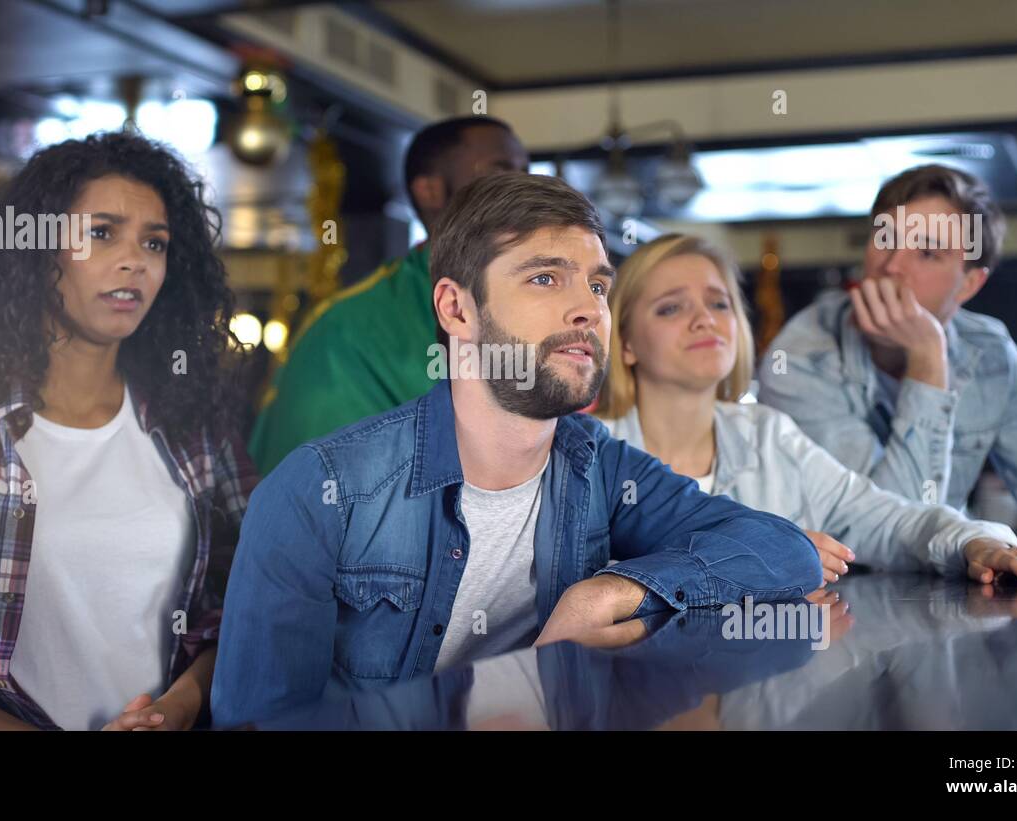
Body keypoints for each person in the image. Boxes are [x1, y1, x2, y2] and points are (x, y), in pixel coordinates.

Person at [212, 172, 822, 727]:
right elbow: (258, 724)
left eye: (599, 285)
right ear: (456, 308)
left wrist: (606, 594)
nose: (588, 309)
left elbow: (784, 550)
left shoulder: (598, 465)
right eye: (544, 277)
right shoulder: (321, 492)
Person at [0, 132, 258, 730]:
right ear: (37, 251)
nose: (134, 259)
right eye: (102, 232)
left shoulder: (193, 428)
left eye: (154, 242)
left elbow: (247, 605)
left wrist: (174, 711)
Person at [595, 233, 1017, 587]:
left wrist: (976, 541)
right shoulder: (592, 457)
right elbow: (585, 592)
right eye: (670, 308)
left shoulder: (767, 435)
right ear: (627, 342)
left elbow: (888, 518)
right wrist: (768, 556)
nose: (705, 319)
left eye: (719, 303)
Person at [758, 164, 1017, 564]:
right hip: (838, 604)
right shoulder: (802, 355)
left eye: (927, 252)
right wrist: (928, 360)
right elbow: (880, 534)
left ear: (969, 284)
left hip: (948, 593)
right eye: (886, 239)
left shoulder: (992, 354)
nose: (892, 265)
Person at [248, 115, 529, 475]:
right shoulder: (347, 330)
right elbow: (316, 487)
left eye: (525, 170)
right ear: (430, 191)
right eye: (501, 170)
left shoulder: (545, 306)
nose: (521, 187)